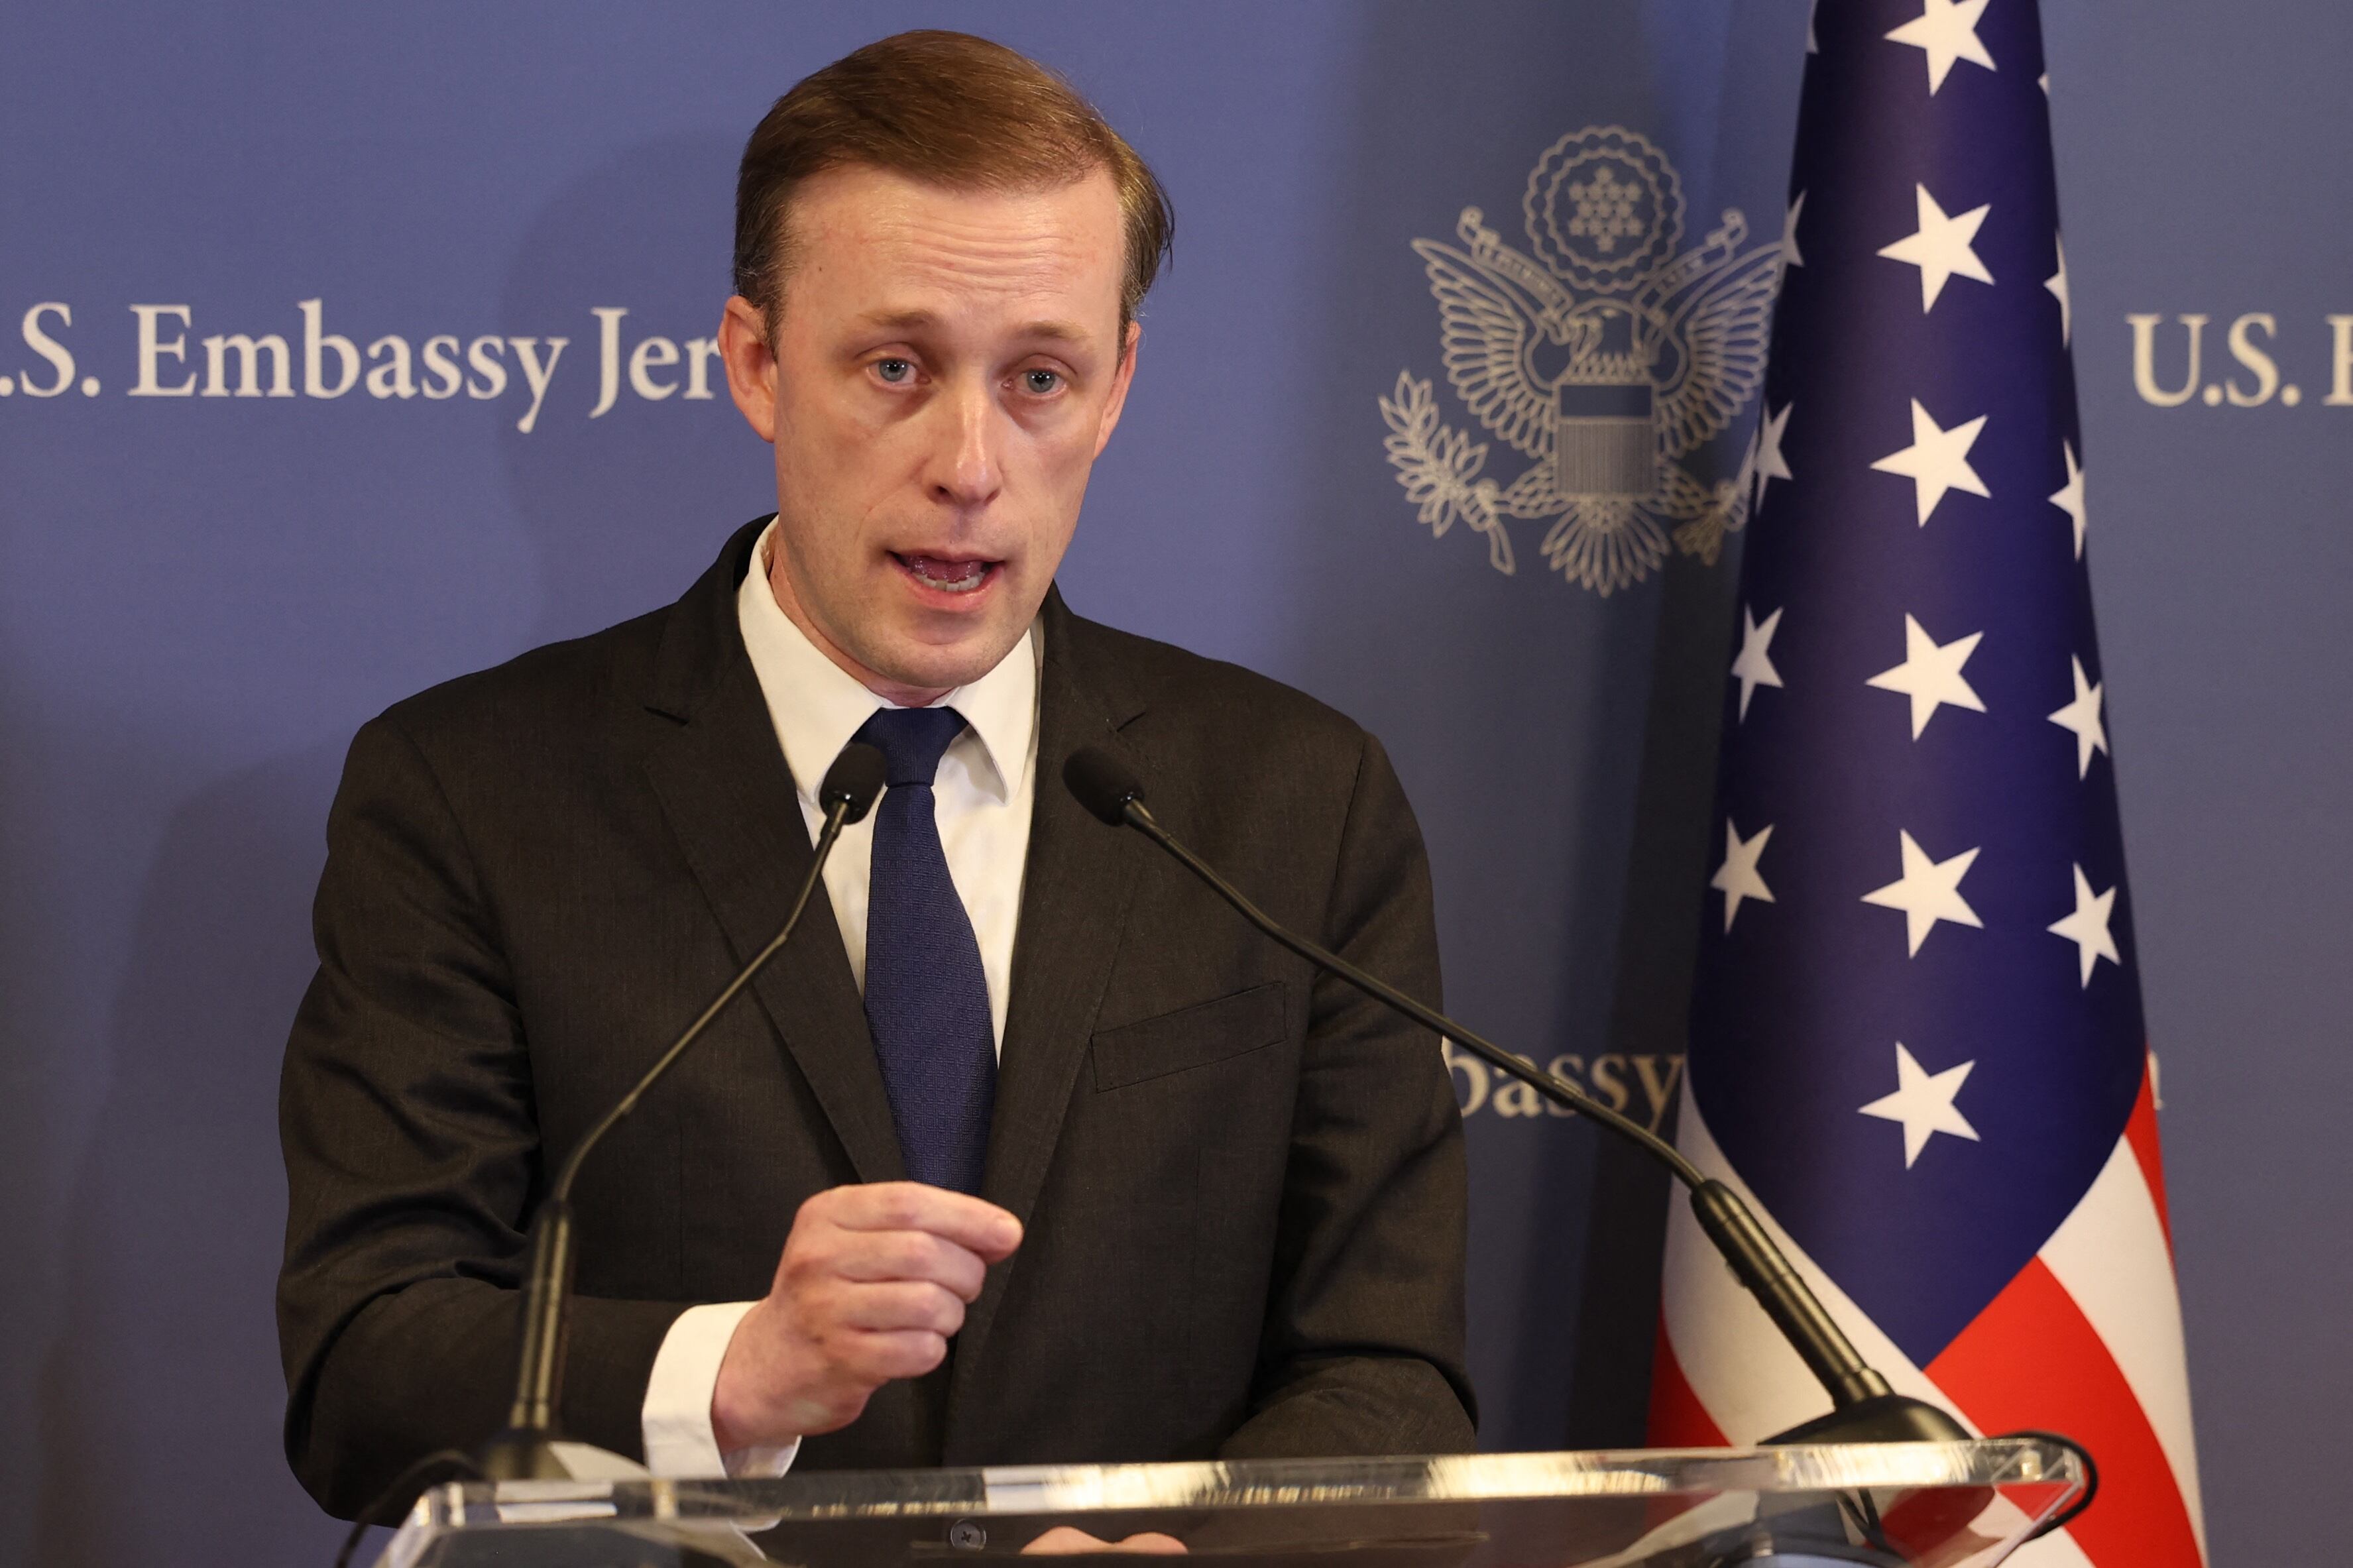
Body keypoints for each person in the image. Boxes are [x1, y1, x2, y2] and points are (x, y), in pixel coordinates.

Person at [276, 29, 1474, 1524]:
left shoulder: (1294, 802)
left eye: (1039, 376)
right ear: (758, 363)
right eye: (896, 367)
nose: (969, 461)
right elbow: (363, 1369)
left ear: (1115, 391)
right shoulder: (471, 795)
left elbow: (1388, 1365)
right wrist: (735, 1370)